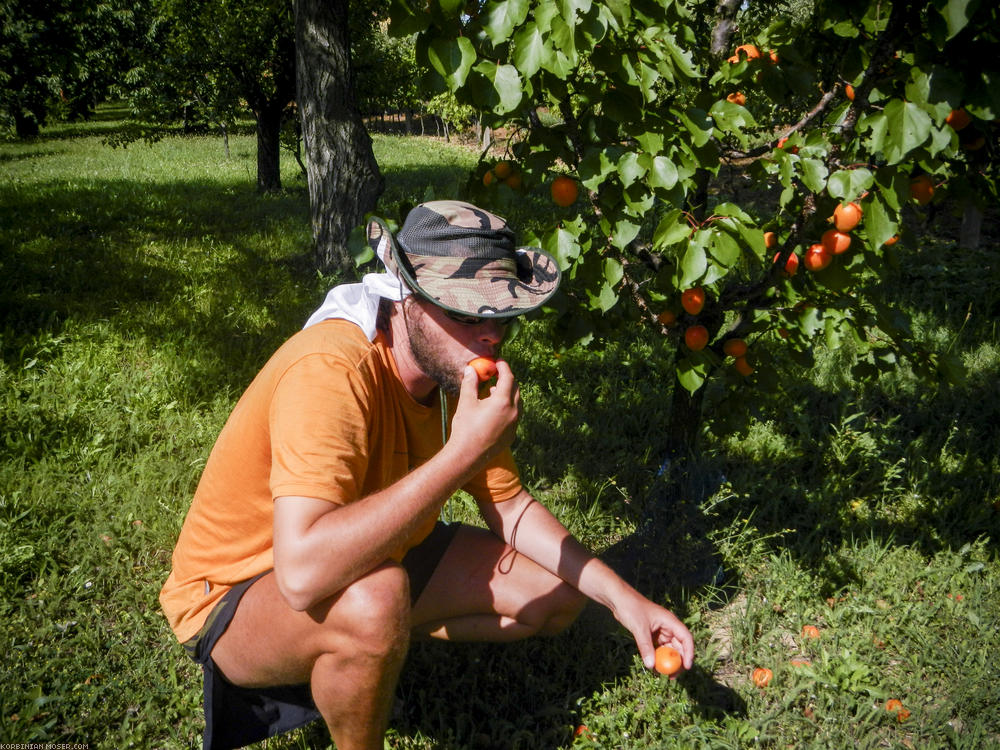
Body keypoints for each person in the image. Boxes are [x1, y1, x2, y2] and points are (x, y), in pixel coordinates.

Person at [159, 200, 694, 750]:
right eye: (464, 314)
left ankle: (372, 645)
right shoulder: (332, 370)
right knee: (376, 599)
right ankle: (364, 660)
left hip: (364, 555)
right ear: (407, 299)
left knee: (555, 593)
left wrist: (625, 600)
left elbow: (510, 509)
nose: (491, 336)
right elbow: (301, 577)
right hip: (237, 594)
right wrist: (463, 454)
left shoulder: (449, 376)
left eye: (501, 316)